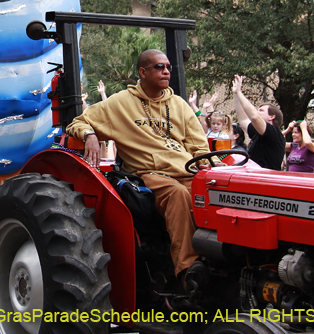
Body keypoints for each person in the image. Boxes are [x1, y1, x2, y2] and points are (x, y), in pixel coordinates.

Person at [67, 49, 209, 293]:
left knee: (217, 195)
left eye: (168, 67)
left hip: (186, 171)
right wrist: (89, 134)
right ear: (143, 72)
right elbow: (78, 122)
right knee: (177, 194)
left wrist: (209, 168)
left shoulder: (179, 105)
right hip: (149, 174)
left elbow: (199, 147)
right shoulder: (121, 102)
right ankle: (188, 273)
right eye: (159, 67)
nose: (166, 71)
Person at [232, 75, 285, 170]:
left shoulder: (275, 133)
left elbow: (254, 117)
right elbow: (243, 120)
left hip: (267, 177)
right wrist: (236, 94)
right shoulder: (257, 132)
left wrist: (240, 92)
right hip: (254, 175)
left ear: (272, 117)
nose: (257, 112)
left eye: (261, 110)